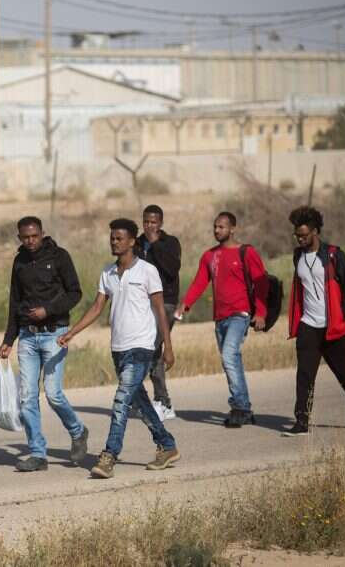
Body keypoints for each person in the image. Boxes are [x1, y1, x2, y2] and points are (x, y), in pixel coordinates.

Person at [59, 218, 179, 479]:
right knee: (140, 401)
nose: (114, 241)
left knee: (122, 399)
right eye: (112, 237)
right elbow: (96, 308)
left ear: (132, 241)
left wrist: (167, 347)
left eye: (119, 238)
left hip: (142, 346)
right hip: (119, 348)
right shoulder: (107, 273)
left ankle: (109, 456)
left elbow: (160, 310)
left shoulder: (147, 271)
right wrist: (71, 333)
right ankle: (167, 446)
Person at [0, 216, 89, 472]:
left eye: (34, 236)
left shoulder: (59, 257)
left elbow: (75, 292)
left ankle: (78, 430)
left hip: (54, 334)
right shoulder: (19, 262)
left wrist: (48, 310)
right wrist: (8, 339)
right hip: (27, 337)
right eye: (25, 237)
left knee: (53, 394)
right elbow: (14, 303)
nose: (30, 241)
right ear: (19, 237)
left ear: (42, 233)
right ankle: (37, 453)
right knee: (27, 397)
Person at [176, 211, 269, 428]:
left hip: (241, 314)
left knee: (229, 355)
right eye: (215, 227)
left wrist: (261, 312)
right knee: (231, 361)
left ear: (233, 228)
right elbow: (200, 282)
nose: (217, 231)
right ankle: (244, 407)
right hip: (220, 318)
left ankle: (239, 407)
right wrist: (185, 304)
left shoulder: (247, 252)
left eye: (222, 227)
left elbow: (262, 283)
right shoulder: (209, 256)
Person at [283, 206, 345, 436]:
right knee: (305, 375)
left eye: (304, 235)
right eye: (297, 235)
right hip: (308, 325)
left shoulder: (333, 254)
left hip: (333, 326)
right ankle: (302, 422)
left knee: (342, 372)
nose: (300, 239)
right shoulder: (297, 255)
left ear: (316, 231)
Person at [136, 204, 181, 421]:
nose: (149, 226)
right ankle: (160, 400)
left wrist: (155, 245)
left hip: (166, 303)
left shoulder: (170, 243)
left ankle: (162, 401)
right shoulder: (136, 243)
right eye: (146, 222)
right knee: (148, 348)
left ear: (160, 223)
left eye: (153, 222)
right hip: (141, 303)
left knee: (151, 346)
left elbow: (172, 269)